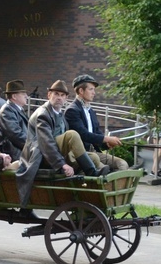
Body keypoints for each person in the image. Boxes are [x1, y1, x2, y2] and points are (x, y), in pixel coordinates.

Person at [16, 80, 109, 209]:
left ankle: (100, 182)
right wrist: (62, 164)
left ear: (66, 98)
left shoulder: (60, 115)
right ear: (49, 95)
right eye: (56, 94)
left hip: (55, 154)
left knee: (94, 157)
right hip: (40, 157)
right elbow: (46, 144)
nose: (59, 97)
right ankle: (92, 173)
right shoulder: (43, 114)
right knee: (72, 134)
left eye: (62, 95)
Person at [65, 74, 129, 172]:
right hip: (81, 154)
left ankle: (119, 187)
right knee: (104, 169)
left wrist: (107, 144)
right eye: (91, 89)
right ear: (81, 91)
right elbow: (84, 135)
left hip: (94, 152)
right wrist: (107, 138)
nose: (94, 93)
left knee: (122, 164)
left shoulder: (91, 111)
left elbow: (97, 134)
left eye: (94, 90)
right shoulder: (72, 110)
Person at [0, 79, 29, 160]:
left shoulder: (16, 109)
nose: (26, 96)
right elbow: (16, 135)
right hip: (11, 157)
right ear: (14, 96)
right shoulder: (7, 111)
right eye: (23, 94)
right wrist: (34, 146)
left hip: (17, 154)